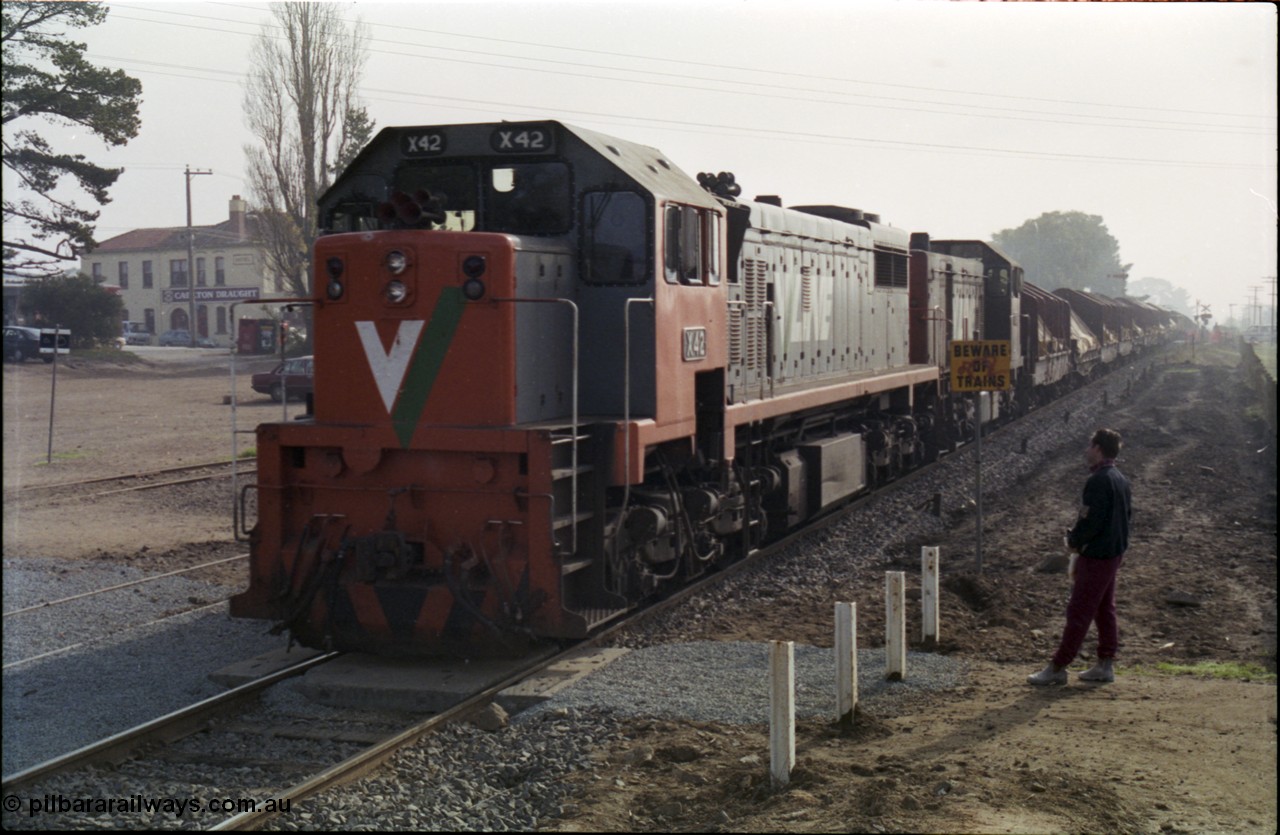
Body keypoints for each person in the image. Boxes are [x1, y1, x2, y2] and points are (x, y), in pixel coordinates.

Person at [1028, 428, 1132, 686]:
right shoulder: (1120, 479)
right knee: (1104, 609)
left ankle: (1058, 666)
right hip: (1113, 553)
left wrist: (1074, 540)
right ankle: (1105, 663)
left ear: (1098, 448)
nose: (1086, 450)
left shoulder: (1098, 480)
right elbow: (1126, 517)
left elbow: (1091, 520)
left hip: (1096, 555)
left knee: (1079, 610)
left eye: (1089, 445)